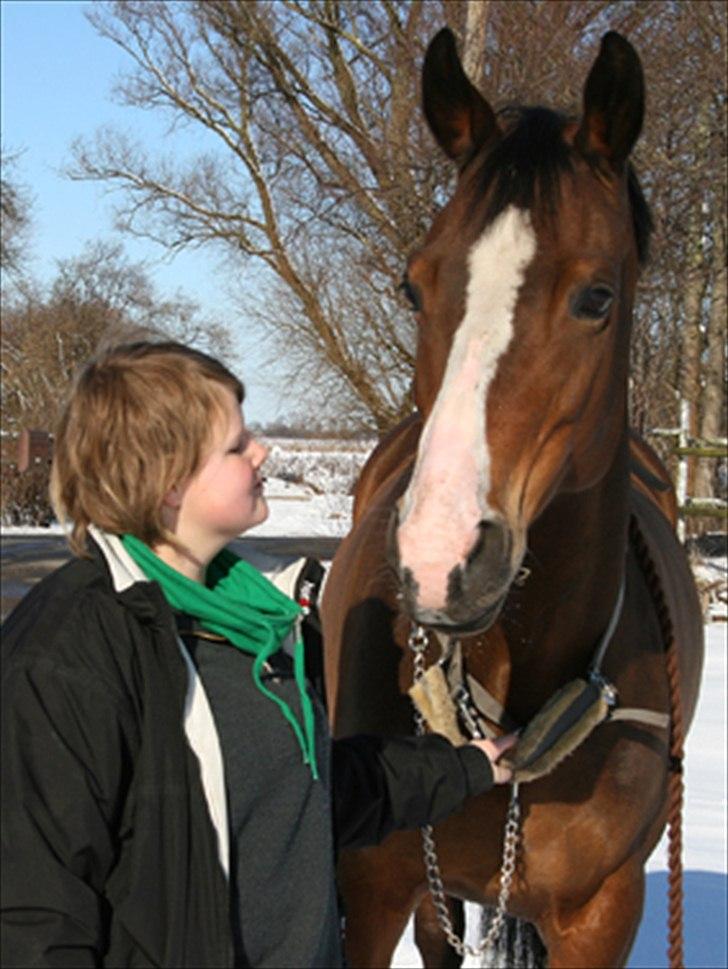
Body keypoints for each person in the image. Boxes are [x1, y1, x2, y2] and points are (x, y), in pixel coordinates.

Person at [1, 341, 516, 968]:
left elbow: (302, 798)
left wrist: (467, 767)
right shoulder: (67, 656)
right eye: (236, 445)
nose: (262, 451)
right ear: (168, 481)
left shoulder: (262, 618)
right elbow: (33, 913)